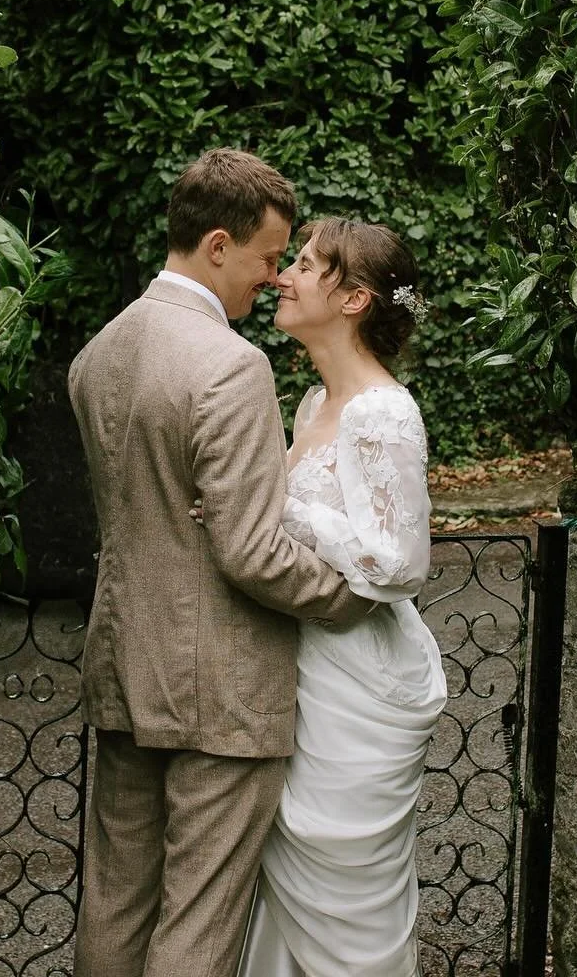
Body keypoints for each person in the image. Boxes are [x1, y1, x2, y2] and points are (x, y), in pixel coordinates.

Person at [68, 149, 372, 977]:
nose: (274, 279)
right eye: (268, 259)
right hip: (222, 694)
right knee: (198, 923)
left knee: (116, 905)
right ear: (215, 245)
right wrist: (349, 597)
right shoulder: (231, 368)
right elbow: (249, 551)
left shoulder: (97, 355)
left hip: (125, 670)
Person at [222, 215, 448, 977]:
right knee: (281, 896)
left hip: (358, 689)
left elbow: (396, 564)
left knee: (346, 912)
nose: (284, 275)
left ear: (353, 300)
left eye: (309, 265)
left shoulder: (384, 413)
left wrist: (284, 509)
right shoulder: (314, 408)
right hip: (303, 671)